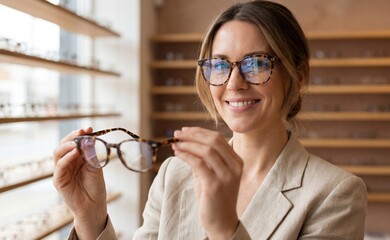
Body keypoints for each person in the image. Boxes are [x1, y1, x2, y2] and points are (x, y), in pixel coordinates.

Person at [53, 1, 367, 239]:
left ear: (298, 76)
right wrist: (90, 217)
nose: (234, 83)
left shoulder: (334, 193)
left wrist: (224, 228)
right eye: (219, 65)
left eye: (256, 63)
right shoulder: (175, 173)